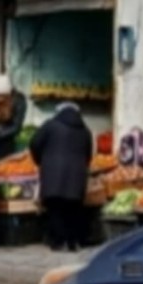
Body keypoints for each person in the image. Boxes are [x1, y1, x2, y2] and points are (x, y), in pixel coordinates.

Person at [30, 102, 95, 252]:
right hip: (77, 177)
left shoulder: (50, 126)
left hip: (52, 174)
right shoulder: (85, 130)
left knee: (55, 208)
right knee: (73, 209)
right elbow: (88, 155)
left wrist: (41, 160)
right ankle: (72, 242)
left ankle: (58, 242)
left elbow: (34, 143)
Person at [0, 74, 29, 162]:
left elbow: (16, 126)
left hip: (9, 140)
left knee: (6, 162)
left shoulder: (18, 100)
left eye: (2, 95)